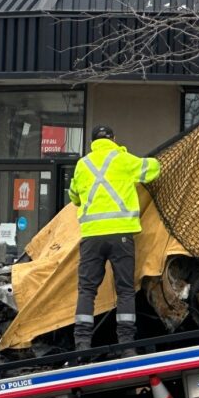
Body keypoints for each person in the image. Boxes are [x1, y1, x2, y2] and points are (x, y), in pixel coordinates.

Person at [68, 125, 161, 354]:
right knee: (125, 290)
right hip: (121, 234)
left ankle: (82, 343)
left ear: (92, 142)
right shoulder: (122, 159)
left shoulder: (83, 164)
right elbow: (152, 169)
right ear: (114, 139)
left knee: (87, 290)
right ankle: (126, 344)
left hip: (91, 237)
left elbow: (74, 196)